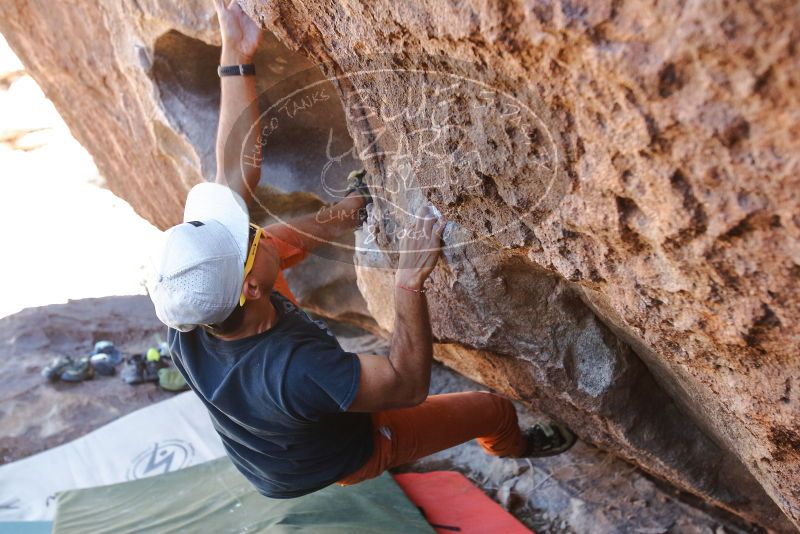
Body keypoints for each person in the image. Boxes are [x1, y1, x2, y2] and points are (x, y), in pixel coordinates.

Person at [145, 0, 576, 499]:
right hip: (339, 455)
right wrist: (408, 281)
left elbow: (232, 175)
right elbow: (406, 386)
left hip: (273, 427)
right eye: (246, 236)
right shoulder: (297, 369)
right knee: (492, 410)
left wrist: (237, 51)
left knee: (279, 239)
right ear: (251, 286)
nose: (250, 225)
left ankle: (356, 205)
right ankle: (514, 447)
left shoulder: (191, 294)